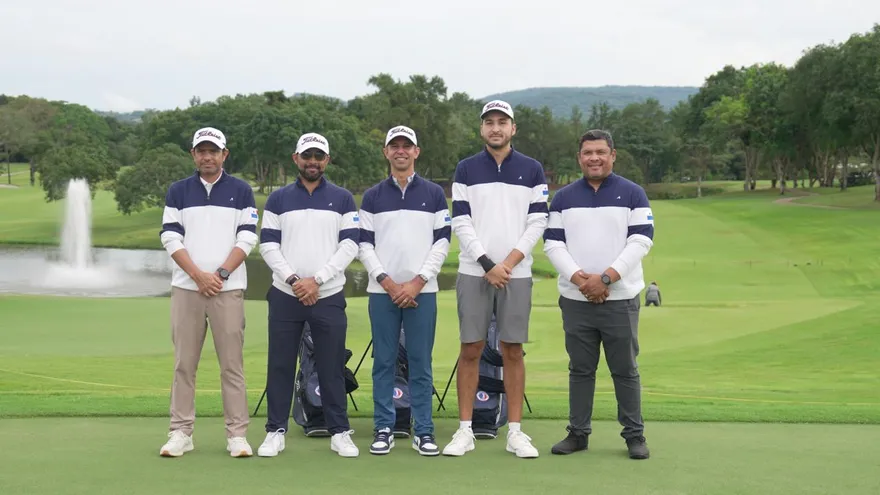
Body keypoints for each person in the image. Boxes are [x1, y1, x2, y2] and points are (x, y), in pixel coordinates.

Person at [443, 100, 548, 459]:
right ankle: (465, 431)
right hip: (475, 271)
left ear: (513, 128)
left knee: (513, 350)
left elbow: (537, 222)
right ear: (482, 129)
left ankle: (515, 432)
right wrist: (488, 263)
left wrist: (509, 262)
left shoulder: (532, 170)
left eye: (502, 122)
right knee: (470, 348)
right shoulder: (466, 169)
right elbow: (461, 222)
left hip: (516, 274)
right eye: (489, 123)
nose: (496, 128)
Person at [543, 129, 654, 460]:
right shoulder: (563, 198)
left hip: (619, 299)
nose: (594, 157)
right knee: (580, 369)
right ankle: (578, 434)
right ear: (579, 158)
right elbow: (553, 243)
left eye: (601, 152)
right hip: (576, 301)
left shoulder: (633, 194)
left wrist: (605, 278)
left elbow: (641, 240)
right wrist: (581, 280)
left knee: (624, 368)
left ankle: (634, 435)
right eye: (588, 152)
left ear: (612, 155)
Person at [256, 132, 360, 458]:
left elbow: (350, 245)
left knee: (330, 366)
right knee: (281, 365)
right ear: (296, 159)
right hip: (286, 294)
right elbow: (268, 244)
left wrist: (316, 280)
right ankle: (275, 430)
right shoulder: (278, 199)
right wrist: (293, 279)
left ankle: (339, 431)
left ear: (326, 160)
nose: (312, 161)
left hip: (327, 293)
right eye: (307, 156)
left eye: (319, 156)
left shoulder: (343, 198)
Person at [158, 127, 258, 458]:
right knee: (184, 364)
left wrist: (220, 274)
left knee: (232, 364)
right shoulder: (178, 191)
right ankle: (180, 431)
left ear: (224, 155)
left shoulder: (241, 191)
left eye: (213, 150)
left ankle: (237, 434)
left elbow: (246, 237)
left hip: (227, 290)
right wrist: (199, 276)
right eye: (201, 150)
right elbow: (170, 237)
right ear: (193, 155)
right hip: (187, 288)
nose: (207, 156)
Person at [358, 125, 451, 456]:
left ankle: (423, 430)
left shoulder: (434, 194)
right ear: (386, 152)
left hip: (422, 293)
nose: (400, 151)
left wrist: (417, 281)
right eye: (394, 146)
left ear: (416, 152)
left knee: (420, 362)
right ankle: (383, 426)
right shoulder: (372, 196)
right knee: (383, 361)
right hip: (382, 292)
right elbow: (364, 245)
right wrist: (387, 281)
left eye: (406, 146)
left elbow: (442, 241)